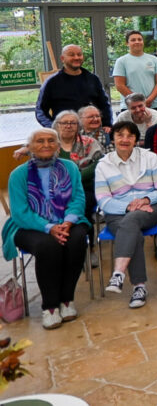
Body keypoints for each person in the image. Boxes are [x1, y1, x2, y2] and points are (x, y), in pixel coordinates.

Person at [1, 129, 90, 329]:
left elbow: (78, 198)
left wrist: (67, 222)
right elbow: (20, 212)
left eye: (51, 140)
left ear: (58, 145)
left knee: (76, 239)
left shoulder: (70, 167)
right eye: (40, 141)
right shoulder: (18, 175)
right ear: (30, 147)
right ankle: (50, 307)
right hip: (28, 226)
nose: (46, 144)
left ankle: (67, 301)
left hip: (68, 220)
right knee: (48, 246)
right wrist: (49, 227)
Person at [94, 121, 157, 309]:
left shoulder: (149, 157)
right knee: (131, 228)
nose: (125, 139)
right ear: (113, 138)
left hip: (150, 208)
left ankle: (119, 273)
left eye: (130, 135)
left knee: (132, 221)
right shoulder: (103, 165)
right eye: (120, 135)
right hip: (117, 213)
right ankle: (139, 287)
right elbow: (103, 200)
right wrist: (128, 207)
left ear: (136, 139)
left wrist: (145, 199)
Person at [35, 44, 111, 128]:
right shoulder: (52, 82)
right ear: (62, 59)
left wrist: (107, 124)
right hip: (65, 131)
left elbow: (104, 105)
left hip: (92, 130)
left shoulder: (93, 79)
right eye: (71, 55)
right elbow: (40, 110)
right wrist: (52, 127)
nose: (76, 57)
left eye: (79, 54)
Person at [51, 110, 103, 224]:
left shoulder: (89, 142)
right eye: (64, 123)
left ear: (78, 126)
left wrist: (76, 178)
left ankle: (84, 233)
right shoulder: (50, 144)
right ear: (57, 125)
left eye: (73, 123)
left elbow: (99, 162)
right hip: (55, 189)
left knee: (81, 206)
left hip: (86, 188)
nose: (68, 126)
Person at [112, 30, 157, 109]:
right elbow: (119, 85)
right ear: (127, 43)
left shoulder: (154, 59)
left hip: (153, 105)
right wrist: (138, 101)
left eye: (139, 39)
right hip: (130, 107)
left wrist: (149, 100)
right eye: (133, 40)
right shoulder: (121, 61)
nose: (137, 42)